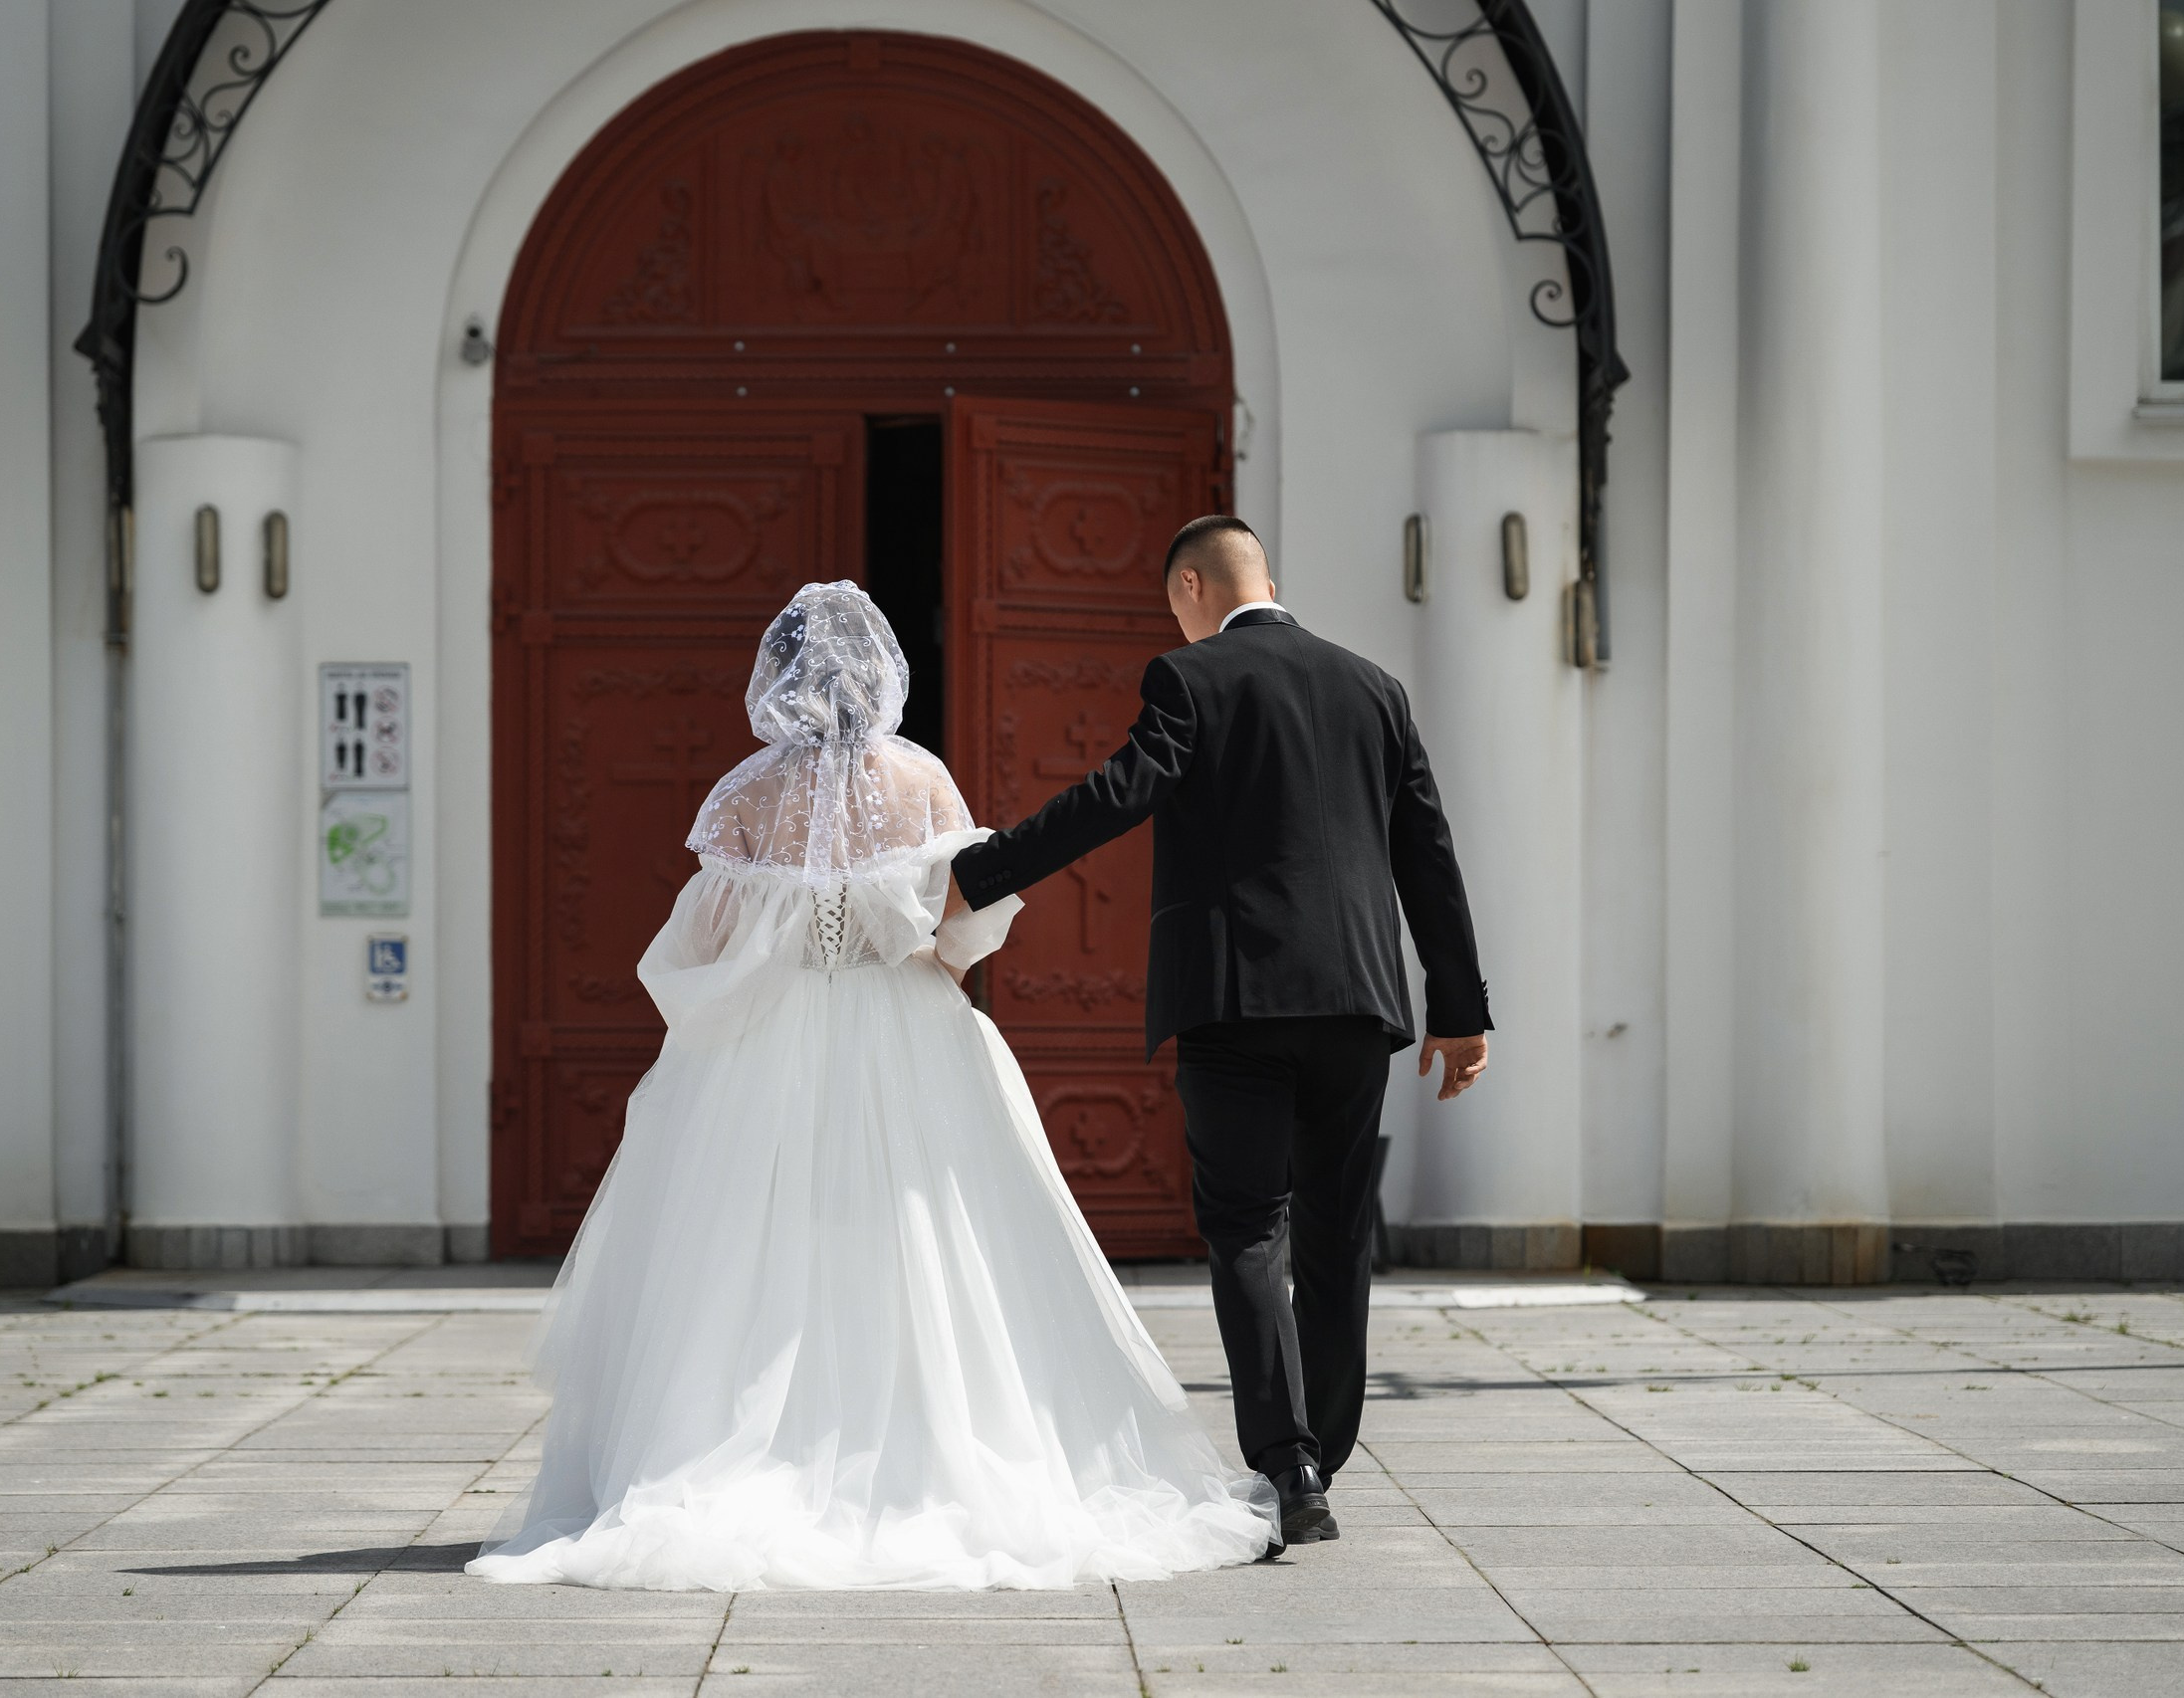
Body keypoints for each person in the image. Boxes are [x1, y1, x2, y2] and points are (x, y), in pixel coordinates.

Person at [467, 580, 1278, 1592]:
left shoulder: (745, 794)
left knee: (756, 1245)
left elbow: (705, 944)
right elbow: (964, 931)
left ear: (780, 676)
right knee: (931, 1235)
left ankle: (739, 1448)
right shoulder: (923, 782)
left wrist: (790, 935)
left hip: (772, 1041)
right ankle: (935, 1446)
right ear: (881, 675)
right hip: (910, 1030)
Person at [947, 516, 1491, 1548]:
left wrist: (977, 873)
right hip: (1356, 1002)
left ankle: (1286, 1466)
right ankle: (1319, 1456)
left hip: (1234, 1001)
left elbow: (1119, 794)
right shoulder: (1375, 687)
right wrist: (1458, 1008)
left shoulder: (1190, 678)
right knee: (1335, 1233)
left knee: (1248, 1226)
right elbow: (1428, 849)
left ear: (1192, 586)